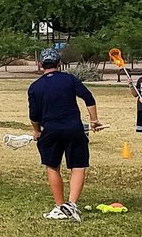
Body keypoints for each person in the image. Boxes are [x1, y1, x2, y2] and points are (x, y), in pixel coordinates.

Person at [27, 47, 103, 222]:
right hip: (73, 128)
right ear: (59, 64)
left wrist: (37, 131)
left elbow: (34, 115)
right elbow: (89, 98)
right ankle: (72, 204)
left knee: (52, 166)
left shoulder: (35, 87)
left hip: (50, 130)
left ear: (40, 65)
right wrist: (94, 120)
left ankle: (60, 206)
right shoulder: (69, 79)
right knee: (78, 166)